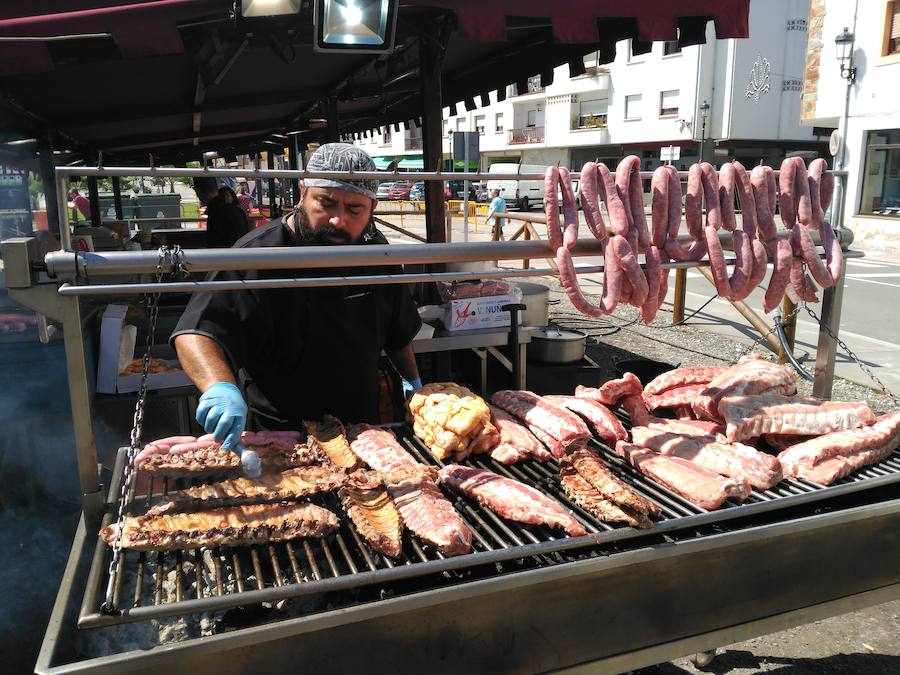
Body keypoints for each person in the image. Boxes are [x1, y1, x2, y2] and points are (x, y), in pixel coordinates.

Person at [172, 143, 422, 472]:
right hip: (280, 439)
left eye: (355, 209)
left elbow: (398, 332)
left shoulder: (376, 253)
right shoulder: (256, 254)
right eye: (327, 202)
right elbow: (196, 332)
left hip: (362, 434)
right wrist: (219, 386)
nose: (338, 219)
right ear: (302, 192)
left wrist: (414, 384)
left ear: (373, 207)